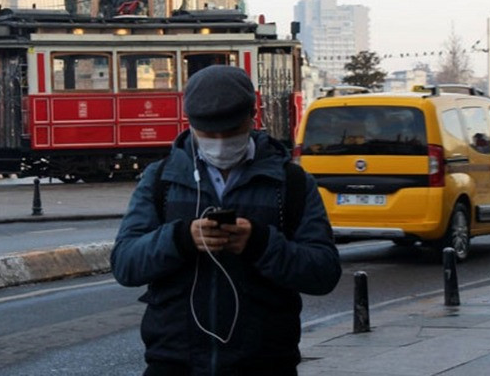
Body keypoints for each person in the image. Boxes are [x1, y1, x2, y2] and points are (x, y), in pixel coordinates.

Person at [111, 65, 341, 376]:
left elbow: (324, 272)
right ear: (191, 123)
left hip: (264, 364)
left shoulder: (291, 183)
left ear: (252, 116)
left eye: (231, 132)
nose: (219, 142)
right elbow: (125, 264)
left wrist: (260, 243)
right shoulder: (161, 179)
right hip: (174, 362)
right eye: (208, 133)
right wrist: (181, 239)